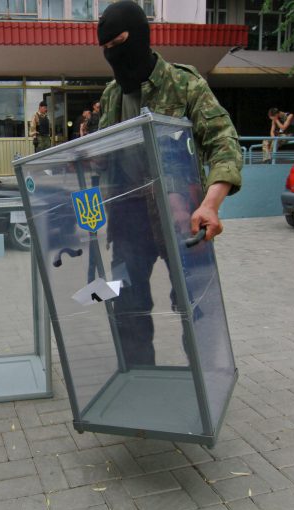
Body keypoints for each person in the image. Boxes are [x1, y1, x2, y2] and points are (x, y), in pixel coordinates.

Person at [96, 0, 242, 365]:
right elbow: (103, 159)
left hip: (181, 219)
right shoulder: (111, 96)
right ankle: (140, 379)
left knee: (195, 305)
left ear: (141, 37)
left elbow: (224, 143)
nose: (115, 54)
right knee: (125, 304)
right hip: (127, 219)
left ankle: (205, 382)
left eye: (121, 43)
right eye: (107, 49)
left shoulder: (184, 84)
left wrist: (211, 203)